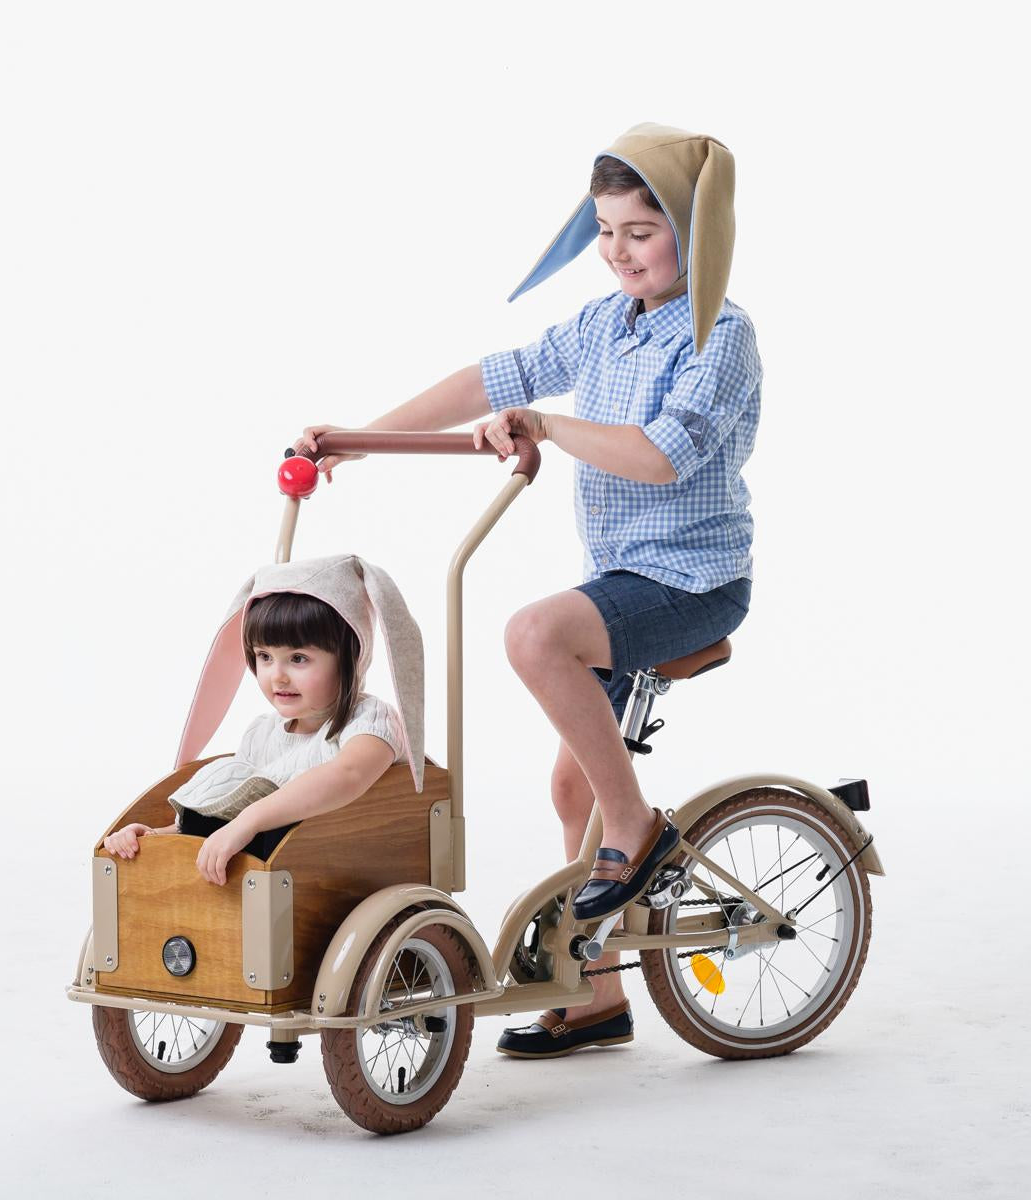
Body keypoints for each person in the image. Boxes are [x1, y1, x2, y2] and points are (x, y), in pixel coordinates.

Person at [293, 124, 758, 1059]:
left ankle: (639, 827)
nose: (619, 251)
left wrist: (548, 424)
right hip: (623, 580)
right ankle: (592, 997)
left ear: (694, 237)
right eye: (604, 230)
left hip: (695, 581)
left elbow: (662, 457)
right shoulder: (603, 324)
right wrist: (360, 436)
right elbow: (489, 378)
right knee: (568, 783)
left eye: (641, 230)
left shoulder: (723, 334)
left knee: (534, 636)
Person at [108, 554, 427, 888]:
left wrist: (250, 821)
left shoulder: (370, 722)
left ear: (350, 658)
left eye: (298, 658)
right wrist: (161, 837)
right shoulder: (261, 734)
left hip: (322, 876)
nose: (278, 677)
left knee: (270, 828)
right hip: (246, 876)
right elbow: (227, 810)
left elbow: (346, 775)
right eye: (264, 657)